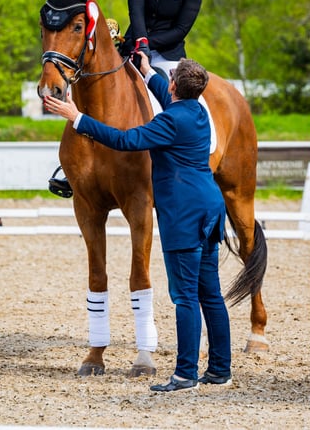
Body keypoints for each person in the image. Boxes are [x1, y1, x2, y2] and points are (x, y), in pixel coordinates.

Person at [43, 56, 232, 392]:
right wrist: (145, 72)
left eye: (168, 79)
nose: (166, 82)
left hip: (184, 215)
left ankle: (186, 374)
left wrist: (77, 118)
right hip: (211, 207)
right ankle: (220, 369)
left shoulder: (171, 122)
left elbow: (125, 141)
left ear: (174, 84)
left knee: (185, 296)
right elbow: (168, 93)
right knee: (211, 293)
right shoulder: (198, 111)